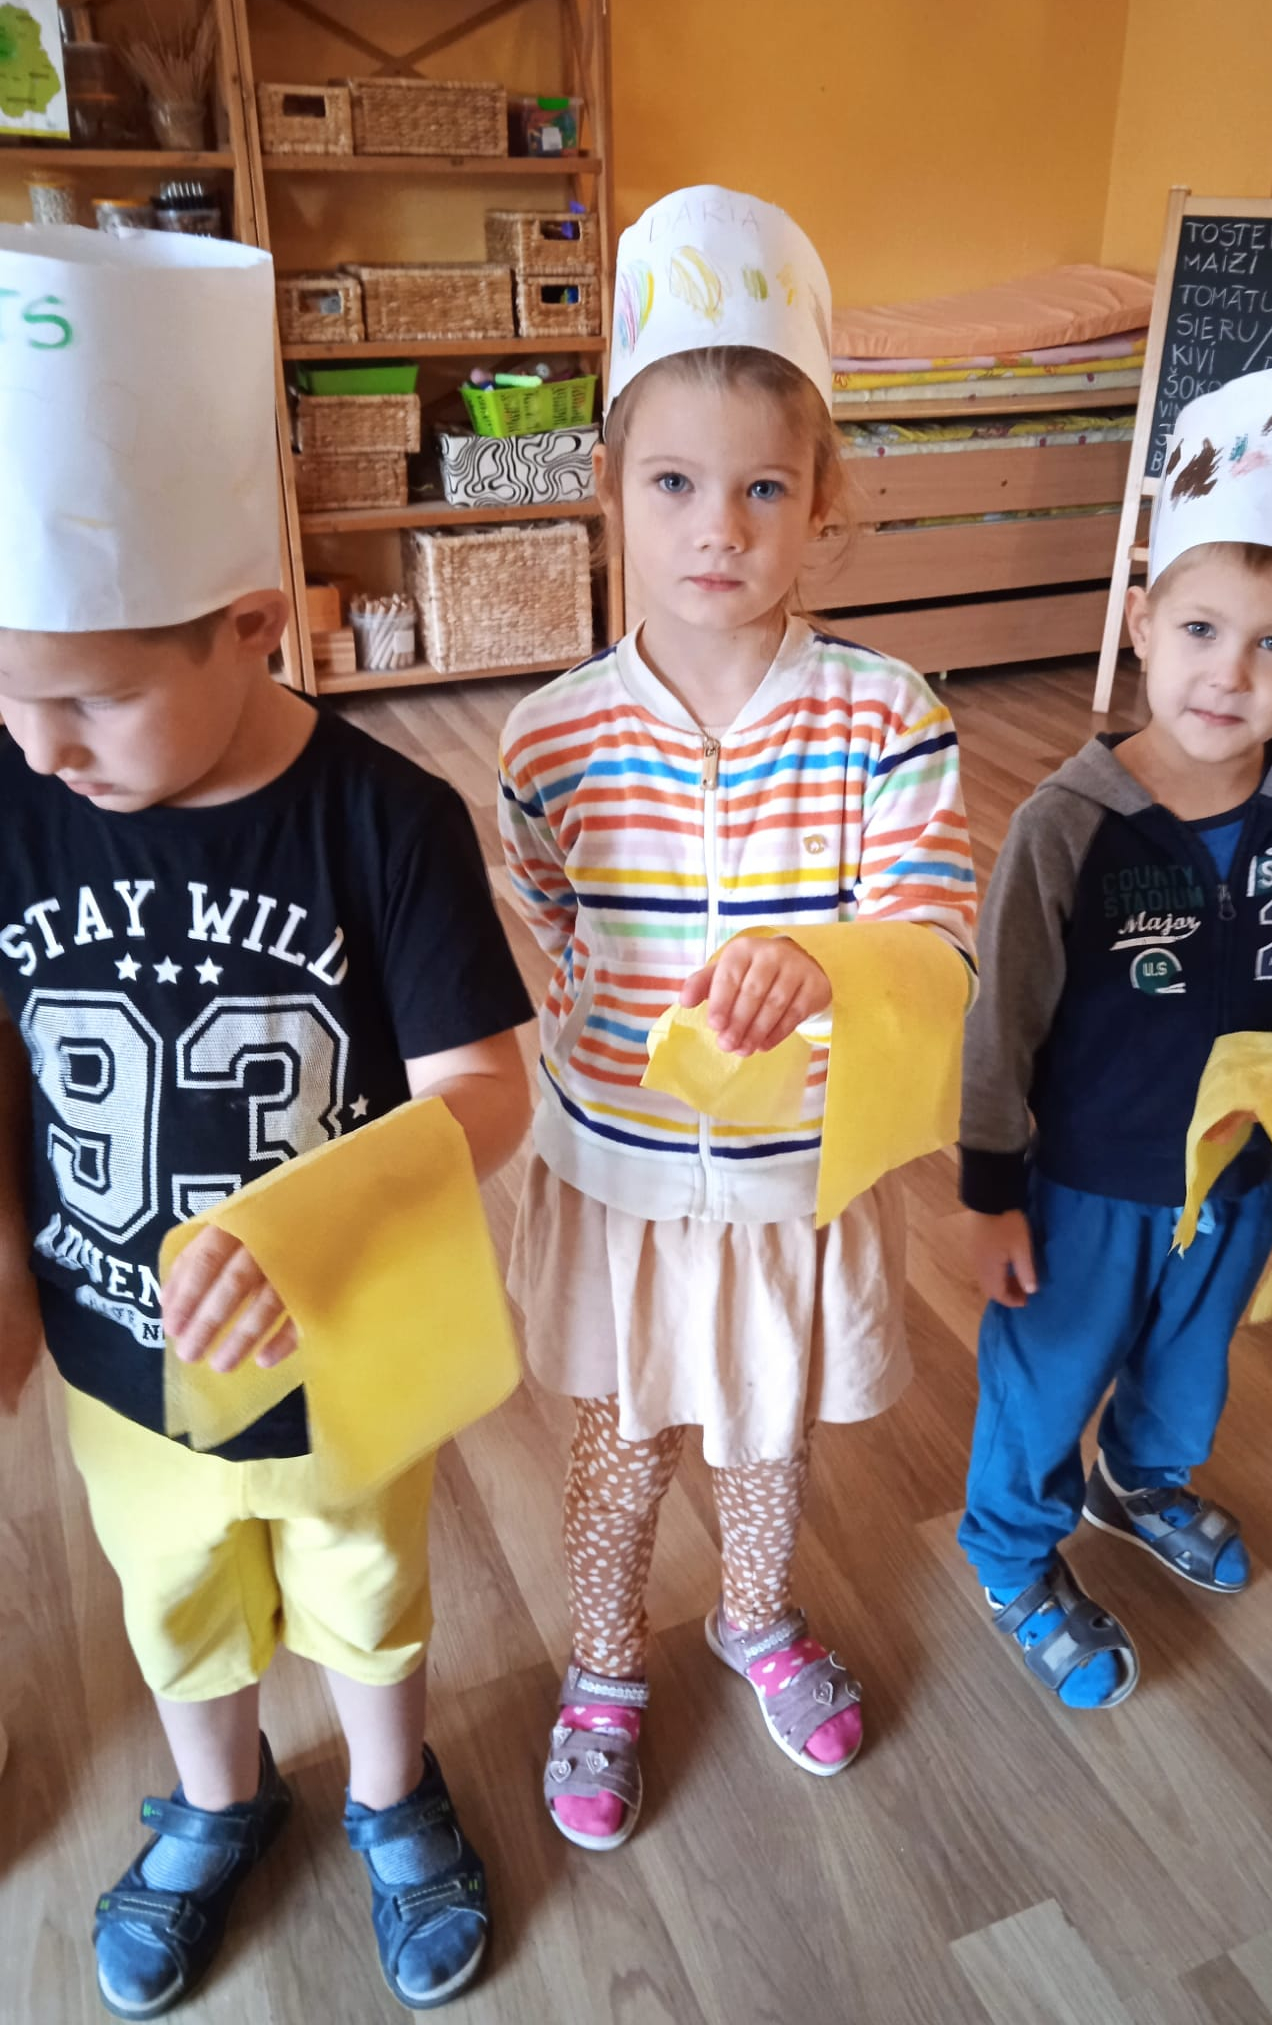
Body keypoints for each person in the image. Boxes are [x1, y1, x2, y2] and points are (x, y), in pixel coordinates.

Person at [0, 226, 534, 2016]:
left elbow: (486, 1093)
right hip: (114, 1343)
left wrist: (311, 1231)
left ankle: (390, 1790)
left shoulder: (388, 821)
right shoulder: (14, 792)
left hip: (342, 1346)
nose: (41, 742)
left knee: (364, 1585)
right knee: (175, 1597)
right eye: (4, 687)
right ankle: (219, 1801)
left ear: (251, 622)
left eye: (89, 696)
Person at [497, 185, 976, 1848]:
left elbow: (933, 925)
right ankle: (605, 1662)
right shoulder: (552, 735)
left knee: (766, 1437)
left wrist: (829, 963)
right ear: (613, 489)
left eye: (764, 486)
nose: (720, 526)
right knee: (620, 1441)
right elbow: (551, 917)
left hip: (790, 1177)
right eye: (676, 483)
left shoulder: (886, 717)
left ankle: (754, 1613)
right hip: (623, 1172)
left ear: (820, 499)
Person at [957, 367, 1272, 1709]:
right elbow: (1002, 1015)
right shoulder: (1068, 823)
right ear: (1143, 622)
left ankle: (1139, 1480)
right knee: (1046, 1379)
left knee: (1189, 1369)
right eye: (1201, 628)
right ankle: (1011, 1551)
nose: (1230, 673)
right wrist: (989, 1189)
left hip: (1239, 1181)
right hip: (1085, 1185)